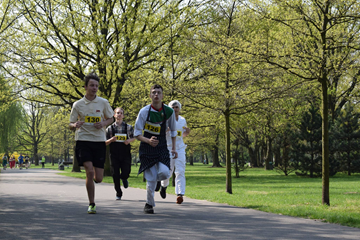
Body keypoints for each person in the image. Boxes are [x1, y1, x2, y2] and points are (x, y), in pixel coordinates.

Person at [69, 72, 114, 214]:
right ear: (85, 87)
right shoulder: (78, 104)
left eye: (96, 86)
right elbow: (70, 123)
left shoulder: (103, 102)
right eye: (92, 85)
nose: (94, 88)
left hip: (99, 141)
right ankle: (92, 203)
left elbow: (111, 118)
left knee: (98, 178)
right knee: (89, 170)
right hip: (83, 140)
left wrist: (103, 123)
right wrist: (75, 124)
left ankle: (94, 181)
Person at [134, 84, 178, 214]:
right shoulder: (144, 112)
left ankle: (159, 182)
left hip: (162, 147)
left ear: (162, 95)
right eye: (154, 92)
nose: (156, 95)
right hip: (147, 148)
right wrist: (148, 140)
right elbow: (137, 133)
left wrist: (174, 149)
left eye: (159, 92)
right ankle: (149, 204)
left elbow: (174, 131)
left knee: (165, 173)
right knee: (150, 179)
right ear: (150, 95)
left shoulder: (169, 112)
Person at [160, 100, 190, 204]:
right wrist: (166, 130)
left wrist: (187, 133)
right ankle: (163, 186)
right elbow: (160, 133)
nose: (175, 109)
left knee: (180, 171)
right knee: (168, 171)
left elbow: (182, 135)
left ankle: (180, 194)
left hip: (180, 148)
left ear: (179, 109)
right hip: (168, 148)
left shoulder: (182, 120)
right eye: (172, 107)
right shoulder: (166, 120)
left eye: (176, 107)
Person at [105, 107, 135, 200]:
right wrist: (111, 139)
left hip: (125, 152)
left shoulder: (128, 127)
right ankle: (118, 192)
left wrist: (128, 141)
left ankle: (124, 178)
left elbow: (134, 137)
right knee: (115, 174)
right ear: (114, 115)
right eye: (117, 113)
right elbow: (104, 142)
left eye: (121, 113)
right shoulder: (109, 129)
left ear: (123, 115)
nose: (119, 115)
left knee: (126, 171)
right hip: (114, 153)